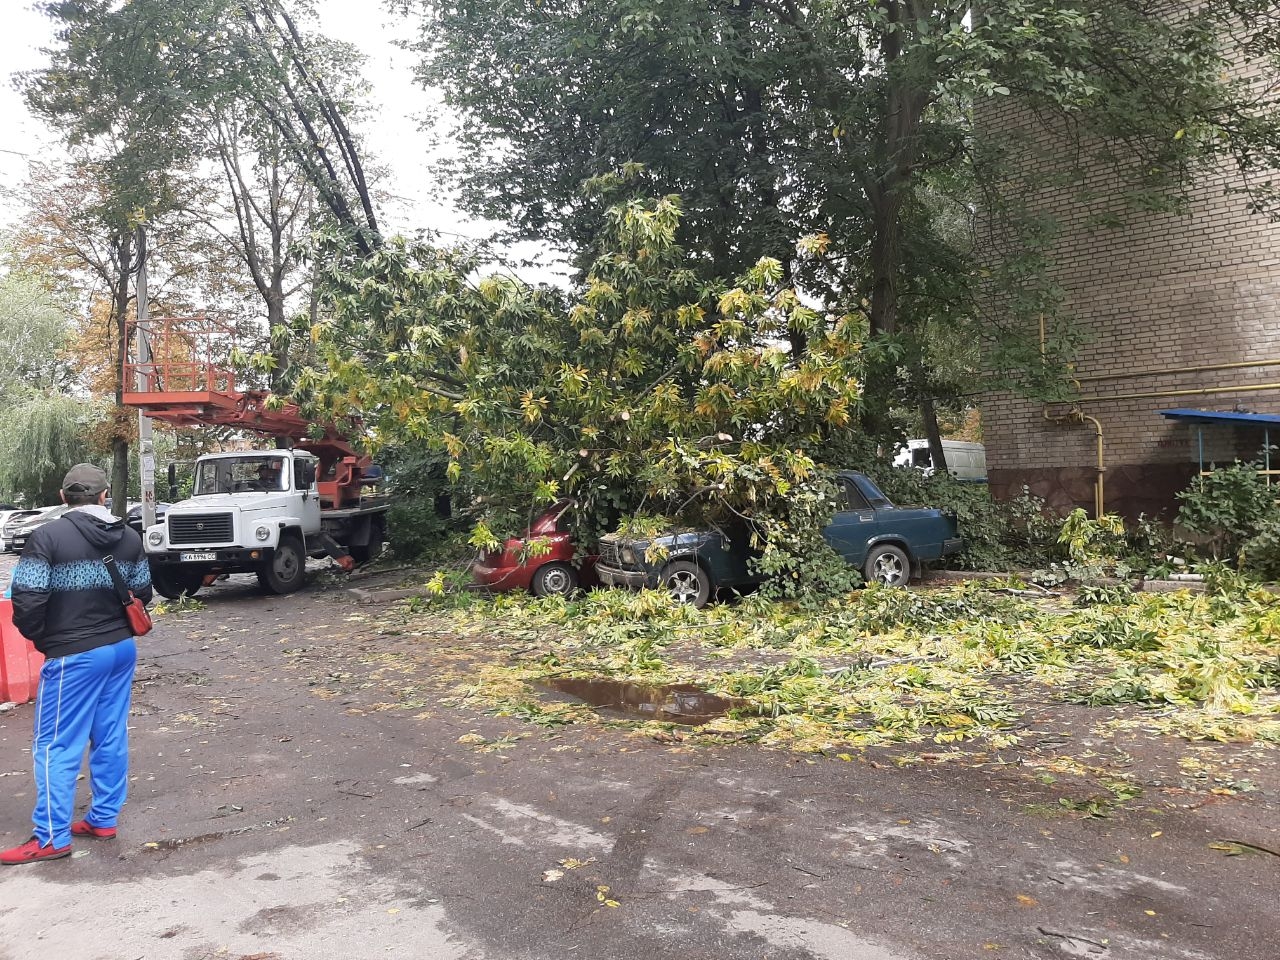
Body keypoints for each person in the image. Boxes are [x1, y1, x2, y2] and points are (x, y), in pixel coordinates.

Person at [1, 464, 152, 865]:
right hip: (120, 649)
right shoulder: (130, 537)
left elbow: (27, 598)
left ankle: (51, 837)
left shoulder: (47, 536)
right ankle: (103, 819)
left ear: (63, 496)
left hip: (74, 655)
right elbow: (143, 592)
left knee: (55, 743)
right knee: (110, 734)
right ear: (104, 496)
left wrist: (46, 640)